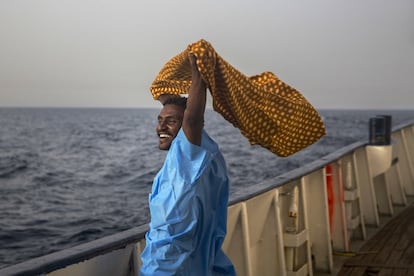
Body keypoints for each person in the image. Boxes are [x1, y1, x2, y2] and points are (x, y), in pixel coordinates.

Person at [140, 54, 236, 275]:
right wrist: (166, 98)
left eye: (171, 121)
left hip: (169, 268)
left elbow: (193, 118)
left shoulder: (188, 152)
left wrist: (198, 70)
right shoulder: (203, 154)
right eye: (159, 120)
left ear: (185, 126)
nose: (161, 127)